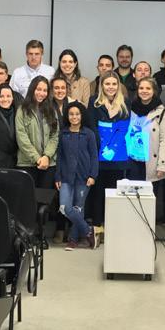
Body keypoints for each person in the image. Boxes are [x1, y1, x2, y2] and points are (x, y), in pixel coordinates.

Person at [87, 71, 132, 228]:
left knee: (114, 192)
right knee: (98, 192)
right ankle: (98, 226)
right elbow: (92, 127)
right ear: (102, 86)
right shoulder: (94, 102)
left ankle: (113, 226)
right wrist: (103, 148)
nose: (111, 87)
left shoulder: (125, 103)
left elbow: (123, 128)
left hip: (118, 156)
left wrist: (112, 148)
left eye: (114, 84)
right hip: (99, 155)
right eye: (107, 84)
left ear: (118, 86)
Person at [128, 77, 165, 225]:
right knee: (134, 196)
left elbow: (164, 140)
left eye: (148, 88)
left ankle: (148, 228)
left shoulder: (162, 112)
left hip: (151, 161)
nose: (144, 91)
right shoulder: (130, 108)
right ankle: (134, 227)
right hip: (133, 160)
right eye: (141, 88)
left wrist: (162, 165)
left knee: (149, 198)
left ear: (154, 91)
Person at [55, 102, 98, 250]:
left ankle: (73, 240)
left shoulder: (89, 134)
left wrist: (93, 175)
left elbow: (94, 156)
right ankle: (88, 231)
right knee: (65, 207)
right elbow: (59, 156)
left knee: (78, 208)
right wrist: (57, 176)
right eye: (71, 114)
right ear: (67, 116)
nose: (74, 117)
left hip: (84, 176)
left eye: (77, 114)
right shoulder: (63, 133)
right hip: (66, 176)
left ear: (82, 116)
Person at [15, 76, 59, 191]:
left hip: (48, 164)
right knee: (28, 201)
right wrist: (37, 158)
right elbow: (21, 137)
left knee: (45, 202)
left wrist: (46, 156)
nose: (41, 93)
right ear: (32, 89)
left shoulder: (51, 110)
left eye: (45, 90)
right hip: (27, 163)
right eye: (38, 89)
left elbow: (54, 136)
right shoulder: (22, 110)